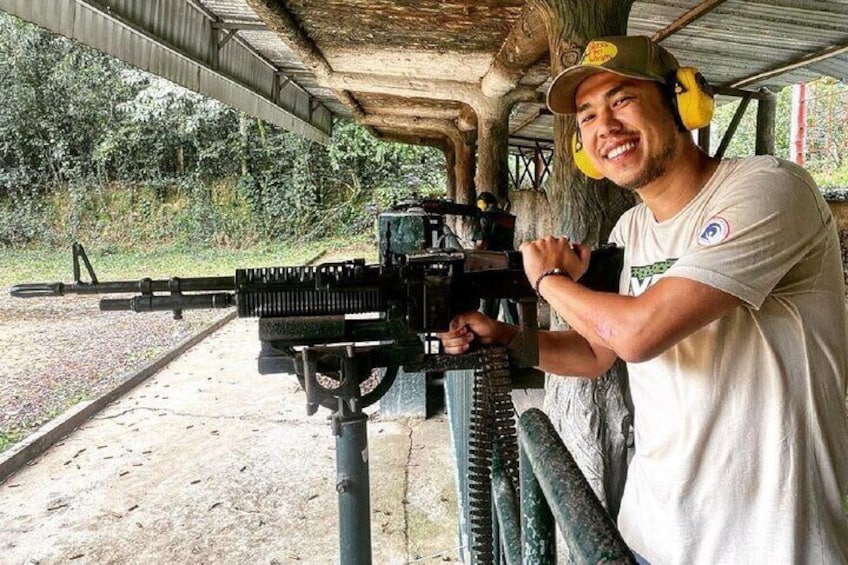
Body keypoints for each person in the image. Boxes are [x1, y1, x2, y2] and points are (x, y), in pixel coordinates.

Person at [439, 35, 848, 564]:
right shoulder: (631, 228)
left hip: (770, 542)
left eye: (622, 99)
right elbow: (596, 353)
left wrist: (548, 281)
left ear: (682, 103)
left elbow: (637, 334)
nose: (604, 126)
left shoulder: (769, 189)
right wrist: (507, 336)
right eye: (586, 117)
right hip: (653, 535)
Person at [472, 191, 519, 323]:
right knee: (509, 305)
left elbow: (481, 244)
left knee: (488, 304)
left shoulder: (484, 216)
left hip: (490, 264)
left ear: (483, 203)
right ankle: (517, 336)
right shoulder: (508, 217)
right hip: (509, 262)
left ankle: (489, 336)